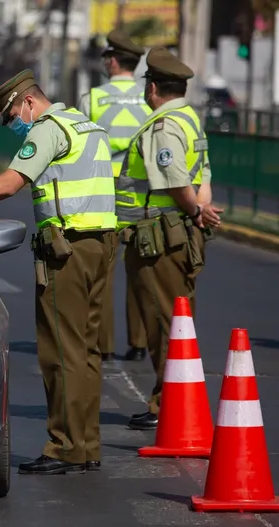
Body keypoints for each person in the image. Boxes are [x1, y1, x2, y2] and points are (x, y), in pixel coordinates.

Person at [0, 70, 117, 475]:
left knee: (60, 351)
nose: (13, 125)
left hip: (67, 250)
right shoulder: (86, 124)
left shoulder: (47, 130)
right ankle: (86, 444)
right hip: (101, 245)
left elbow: (7, 185)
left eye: (11, 116)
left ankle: (64, 446)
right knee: (87, 351)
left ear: (28, 102)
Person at [115, 48, 223, 431]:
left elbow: (175, 179)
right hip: (180, 230)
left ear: (154, 87)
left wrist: (194, 211)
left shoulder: (162, 127)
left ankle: (166, 404)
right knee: (178, 318)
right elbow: (203, 172)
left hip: (158, 235)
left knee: (164, 322)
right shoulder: (190, 119)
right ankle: (175, 398)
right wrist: (199, 212)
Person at [78, 30, 151, 363]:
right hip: (141, 192)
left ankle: (103, 345)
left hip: (103, 193)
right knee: (141, 267)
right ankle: (139, 342)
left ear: (111, 60)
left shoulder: (92, 99)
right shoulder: (151, 97)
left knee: (102, 269)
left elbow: (81, 150)